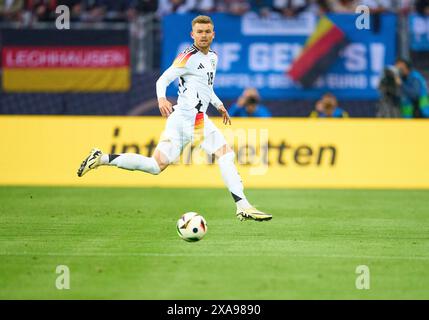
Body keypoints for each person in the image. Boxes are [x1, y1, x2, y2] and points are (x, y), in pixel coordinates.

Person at [77, 15, 272, 222]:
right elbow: (163, 80)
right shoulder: (186, 58)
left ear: (213, 34)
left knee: (155, 166)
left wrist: (218, 104)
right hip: (192, 118)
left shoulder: (213, 57)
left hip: (180, 119)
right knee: (225, 154)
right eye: (199, 32)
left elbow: (206, 87)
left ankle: (102, 158)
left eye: (207, 32)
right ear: (192, 34)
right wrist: (161, 99)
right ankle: (243, 206)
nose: (203, 35)